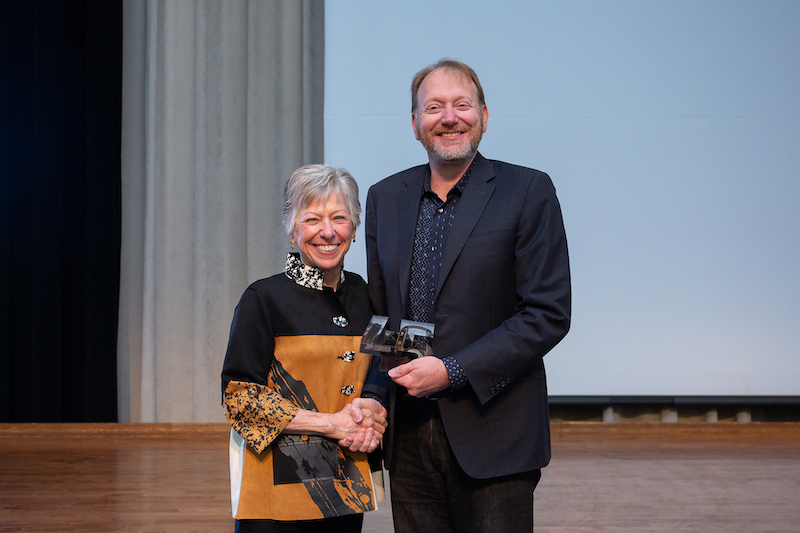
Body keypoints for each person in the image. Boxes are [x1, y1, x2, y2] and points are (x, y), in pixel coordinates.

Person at [362, 59, 571, 532]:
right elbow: (382, 319)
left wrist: (452, 371)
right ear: (415, 123)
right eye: (434, 107)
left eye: (462, 104)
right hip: (409, 432)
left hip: (494, 430)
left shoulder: (527, 190)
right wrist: (374, 395)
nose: (449, 117)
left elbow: (546, 314)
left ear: (484, 115)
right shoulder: (384, 197)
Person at [221, 164, 388, 533]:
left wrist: (373, 409)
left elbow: (383, 366)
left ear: (354, 228)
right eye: (312, 219)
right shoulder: (262, 299)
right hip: (276, 495)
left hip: (345, 487)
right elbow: (240, 399)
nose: (327, 232)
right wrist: (332, 424)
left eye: (339, 218)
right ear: (292, 229)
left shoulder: (368, 297)